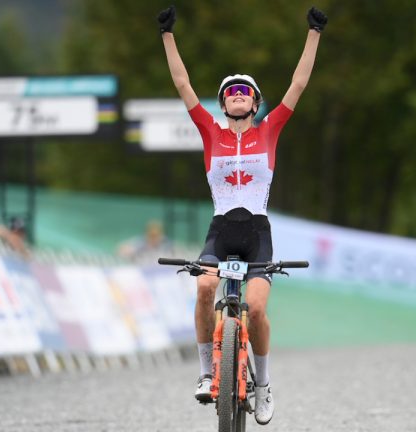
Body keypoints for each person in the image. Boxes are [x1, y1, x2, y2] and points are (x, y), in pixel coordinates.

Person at [158, 5, 327, 425]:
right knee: (202, 288)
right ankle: (204, 372)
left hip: (257, 232)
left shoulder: (269, 130)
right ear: (222, 102)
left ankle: (264, 385)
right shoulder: (209, 131)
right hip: (220, 229)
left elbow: (299, 83)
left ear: (254, 103)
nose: (237, 94)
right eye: (230, 91)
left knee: (255, 308)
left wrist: (313, 33)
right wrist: (167, 36)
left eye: (244, 91)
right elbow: (182, 83)